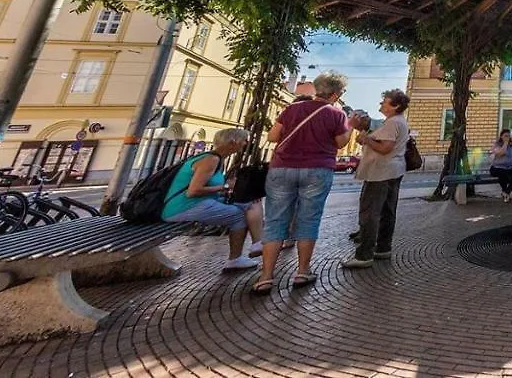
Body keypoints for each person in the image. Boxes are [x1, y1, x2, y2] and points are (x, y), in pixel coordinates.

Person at [253, 72, 350, 294]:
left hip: (282, 167)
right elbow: (341, 143)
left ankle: (266, 276)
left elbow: (272, 137)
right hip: (317, 169)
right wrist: (350, 126)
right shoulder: (336, 114)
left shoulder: (291, 109)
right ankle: (302, 271)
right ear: (335, 94)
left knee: (275, 220)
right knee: (309, 219)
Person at [161, 127, 263, 271]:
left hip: (193, 204)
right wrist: (226, 187)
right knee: (238, 215)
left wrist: (228, 192)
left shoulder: (215, 158)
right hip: (182, 207)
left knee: (250, 202)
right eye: (244, 140)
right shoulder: (211, 160)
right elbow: (193, 191)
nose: (245, 144)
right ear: (233, 141)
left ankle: (255, 244)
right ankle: (237, 258)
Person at [343, 89, 411, 269]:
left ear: (395, 106)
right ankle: (383, 247)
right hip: (393, 171)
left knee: (370, 213)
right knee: (388, 211)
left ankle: (364, 254)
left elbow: (385, 148)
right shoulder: (399, 122)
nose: (381, 105)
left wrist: (366, 139)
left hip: (380, 172)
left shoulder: (392, 123)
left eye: (385, 102)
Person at [488, 129, 512, 202]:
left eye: (509, 136)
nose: (507, 138)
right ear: (501, 137)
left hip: (510, 167)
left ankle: (507, 191)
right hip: (497, 167)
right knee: (502, 174)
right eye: (505, 136)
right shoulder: (497, 144)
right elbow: (501, 153)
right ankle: (505, 192)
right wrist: (505, 143)